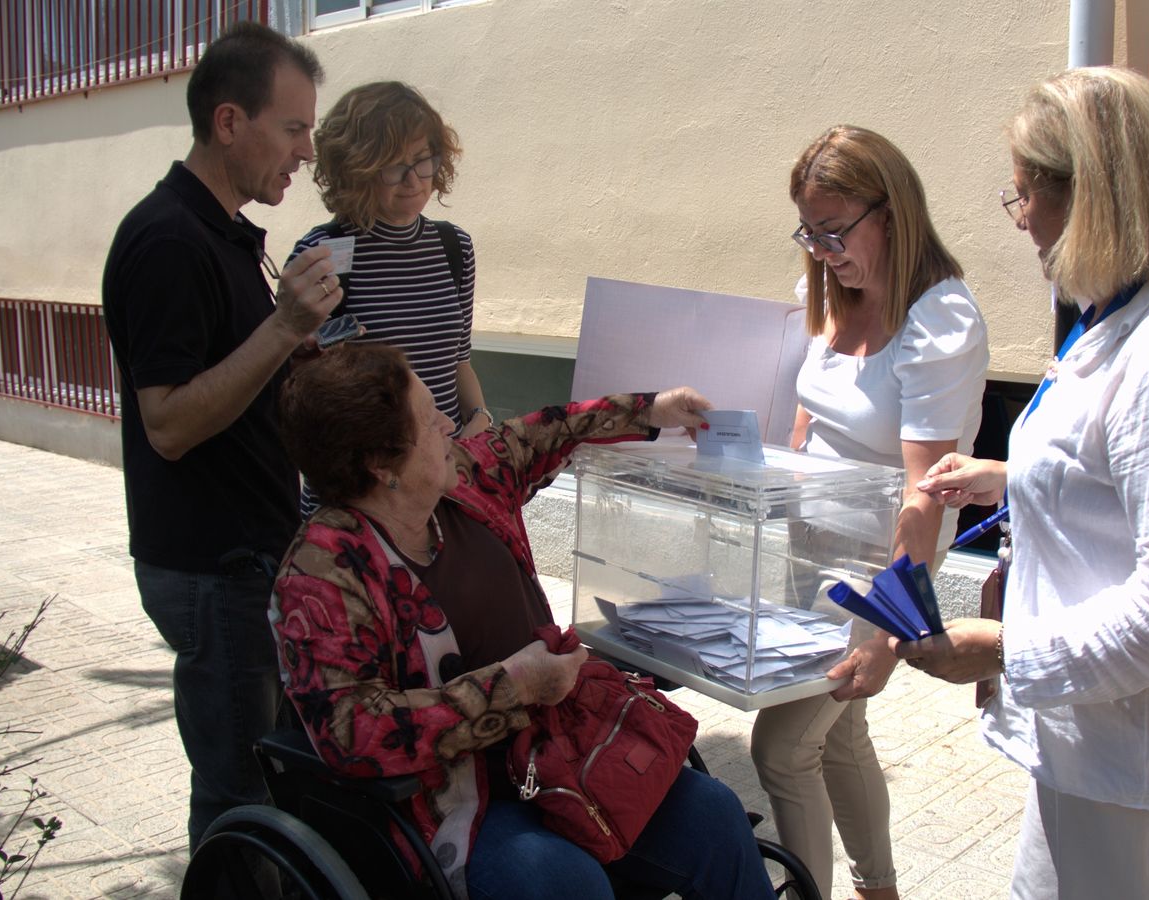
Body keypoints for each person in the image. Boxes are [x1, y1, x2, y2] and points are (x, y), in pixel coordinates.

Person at [906, 66, 1149, 899]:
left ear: (1095, 198)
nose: (1020, 223)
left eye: (1024, 197)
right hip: (1101, 746)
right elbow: (1121, 472)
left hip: (1145, 763)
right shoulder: (1129, 313)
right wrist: (1013, 479)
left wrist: (1005, 651)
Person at [270, 342, 777, 900]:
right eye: (427, 415)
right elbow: (351, 730)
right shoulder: (322, 574)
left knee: (712, 813)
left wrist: (652, 410)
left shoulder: (461, 482)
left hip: (561, 753)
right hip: (457, 800)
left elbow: (542, 435)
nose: (447, 421)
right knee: (562, 882)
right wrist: (512, 688)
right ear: (383, 465)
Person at [100, 22, 342, 851]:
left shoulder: (221, 231)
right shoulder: (170, 239)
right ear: (230, 122)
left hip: (244, 556)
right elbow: (167, 424)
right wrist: (280, 332)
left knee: (258, 786)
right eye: (294, 127)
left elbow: (231, 372)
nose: (306, 151)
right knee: (240, 795)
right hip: (214, 566)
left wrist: (290, 349)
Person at [754, 125, 989, 900]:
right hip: (809, 542)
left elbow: (927, 494)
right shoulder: (826, 292)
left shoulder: (939, 319)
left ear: (891, 214)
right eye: (808, 232)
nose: (820, 251)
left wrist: (893, 632)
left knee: (783, 746)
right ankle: (878, 890)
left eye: (834, 230)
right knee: (839, 729)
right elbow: (804, 423)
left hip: (879, 564)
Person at [292, 80, 489, 439]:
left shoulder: (453, 245)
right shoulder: (323, 253)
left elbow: (459, 362)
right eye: (394, 165)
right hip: (365, 481)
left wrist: (480, 419)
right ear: (357, 169)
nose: (413, 179)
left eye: (422, 161)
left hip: (444, 474)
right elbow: (306, 389)